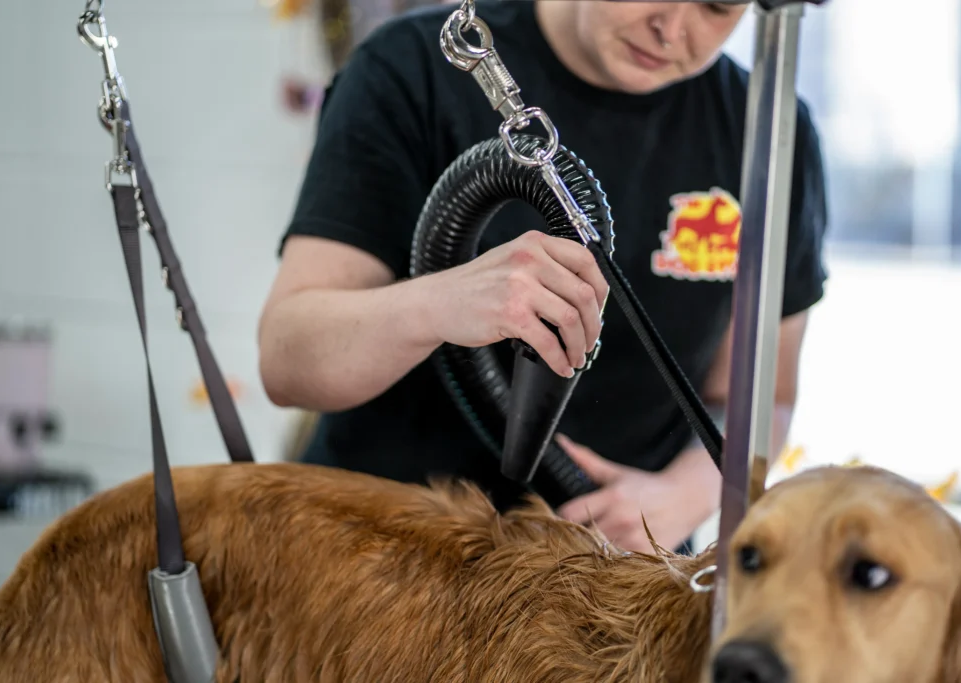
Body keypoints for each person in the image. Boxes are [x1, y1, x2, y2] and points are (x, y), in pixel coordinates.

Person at [257, 0, 828, 555]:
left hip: (613, 582)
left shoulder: (771, 139)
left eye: (717, 7)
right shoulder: (412, 69)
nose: (671, 28)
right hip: (385, 560)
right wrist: (438, 303)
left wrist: (686, 494)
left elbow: (763, 398)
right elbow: (288, 361)